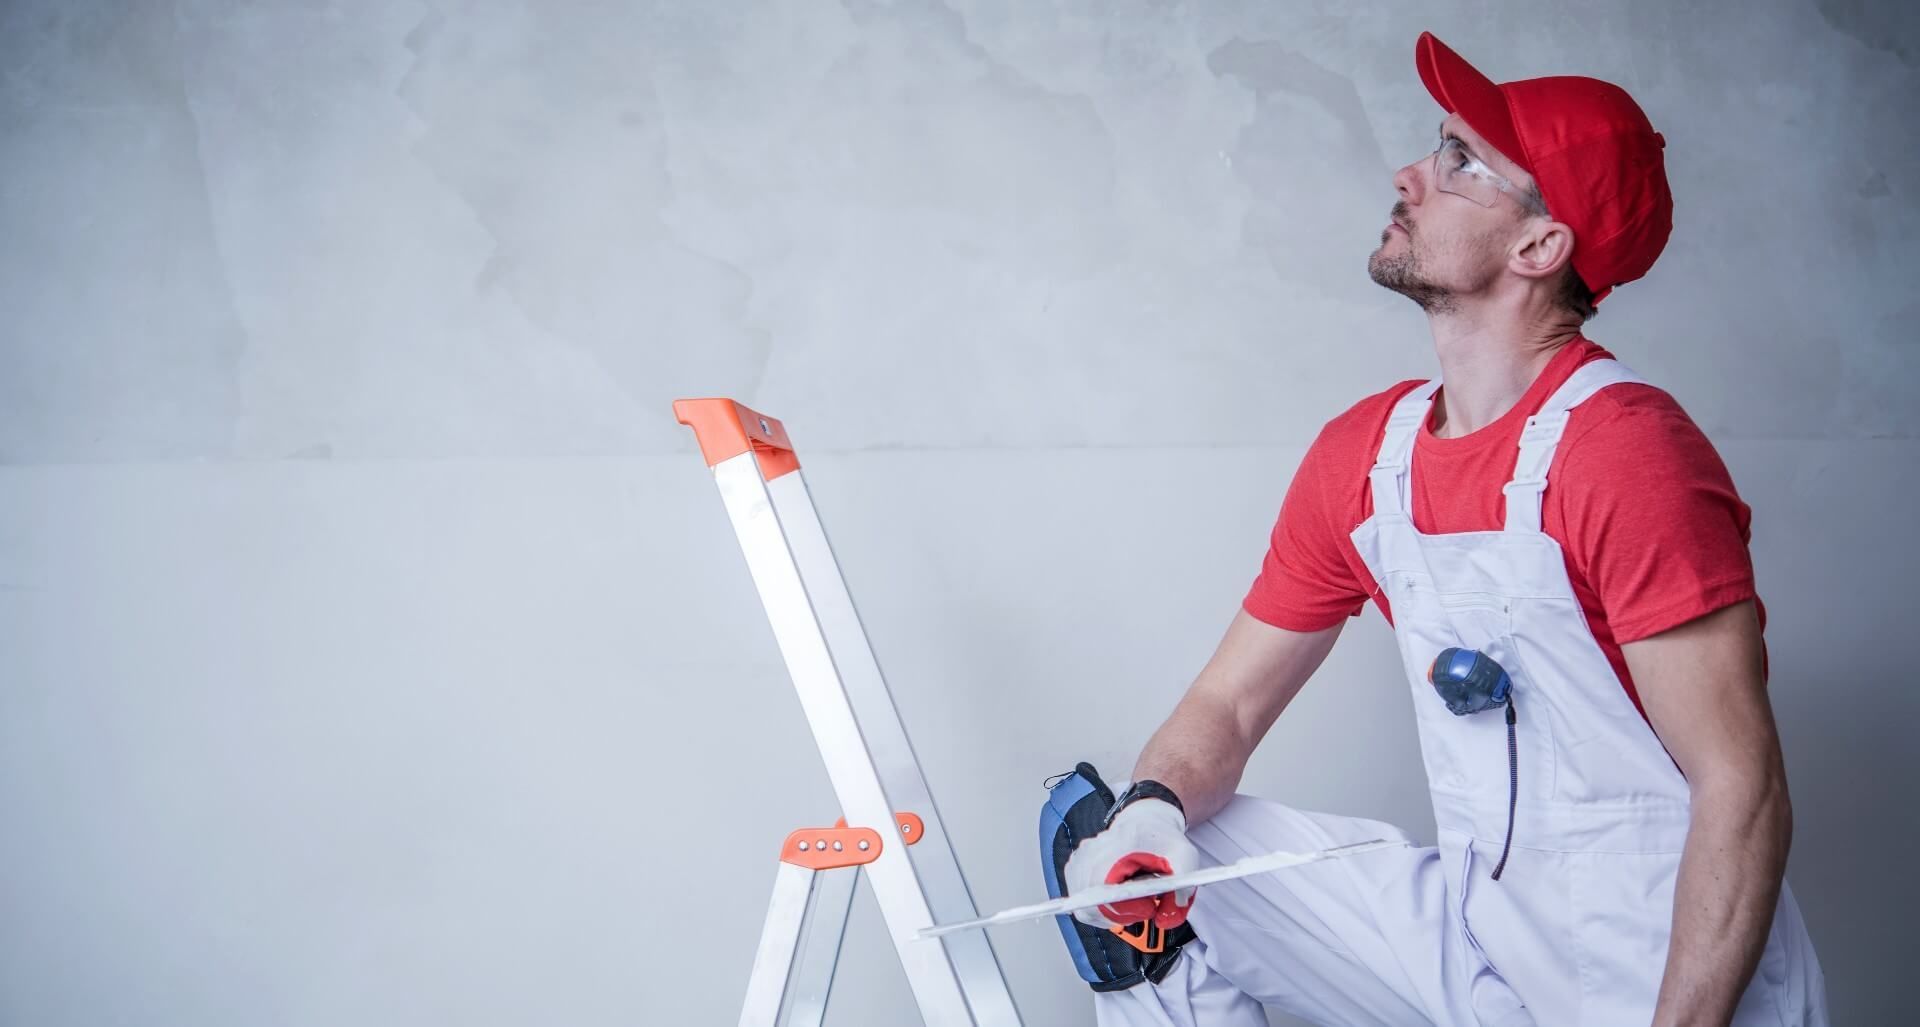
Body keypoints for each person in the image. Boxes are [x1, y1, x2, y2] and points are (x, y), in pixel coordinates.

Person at [1052, 32, 1828, 1026]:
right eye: (1437, 145)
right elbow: (1230, 708)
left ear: (1540, 247)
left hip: (1657, 965)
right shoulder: (1366, 457)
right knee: (1117, 847)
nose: (1411, 172)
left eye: (1462, 161)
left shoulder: (1625, 453)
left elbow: (1743, 786)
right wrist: (1149, 819)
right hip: (1483, 933)